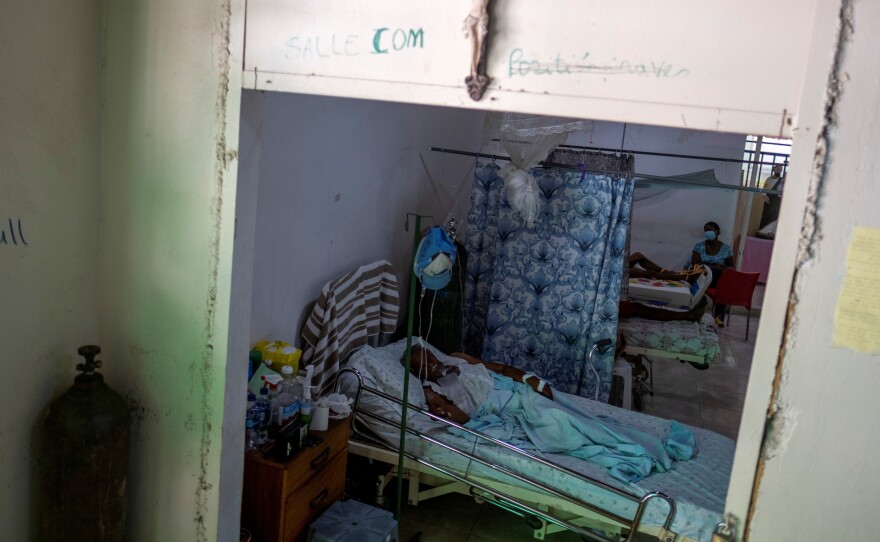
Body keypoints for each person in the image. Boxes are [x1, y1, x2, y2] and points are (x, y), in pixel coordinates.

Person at [401, 346, 553, 424]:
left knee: (553, 401)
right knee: (554, 420)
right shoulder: (431, 390)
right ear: (418, 372)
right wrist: (444, 412)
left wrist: (527, 378)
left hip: (514, 387)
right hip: (502, 406)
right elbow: (458, 416)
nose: (431, 365)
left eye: (429, 357)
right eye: (424, 367)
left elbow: (500, 369)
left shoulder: (456, 358)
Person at [691, 221, 735, 326]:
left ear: (717, 231)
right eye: (706, 231)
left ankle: (718, 317)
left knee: (723, 284)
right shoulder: (699, 247)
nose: (707, 233)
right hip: (702, 276)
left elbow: (732, 267)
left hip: (717, 277)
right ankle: (692, 312)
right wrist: (713, 267)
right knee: (694, 278)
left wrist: (722, 268)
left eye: (710, 230)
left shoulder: (726, 249)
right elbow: (695, 265)